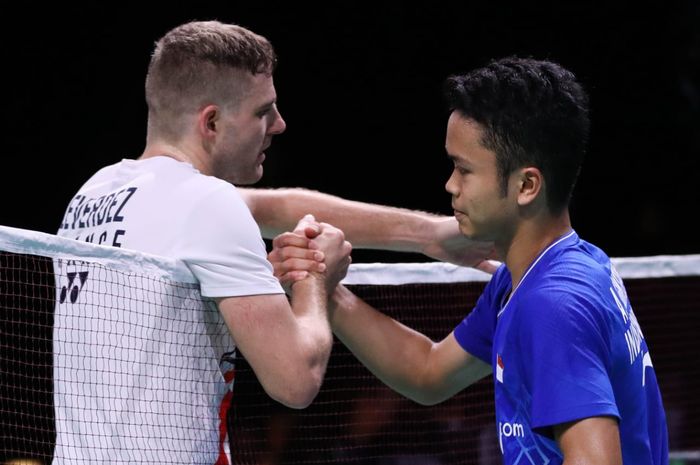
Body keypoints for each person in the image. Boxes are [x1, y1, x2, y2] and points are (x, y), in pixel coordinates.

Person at [55, 20, 492, 464]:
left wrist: (431, 237)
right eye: (263, 111)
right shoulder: (208, 204)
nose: (279, 124)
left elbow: (279, 206)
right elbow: (295, 381)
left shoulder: (94, 192)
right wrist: (315, 282)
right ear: (212, 122)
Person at [270, 57, 669, 464]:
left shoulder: (552, 305)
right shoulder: (542, 273)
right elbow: (428, 372)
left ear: (527, 185)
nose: (450, 185)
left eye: (464, 170)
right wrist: (325, 289)